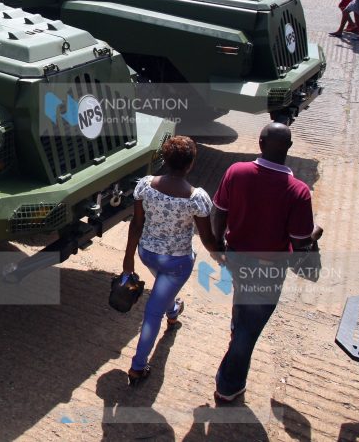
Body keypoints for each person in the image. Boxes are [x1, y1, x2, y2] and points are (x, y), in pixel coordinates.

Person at [211, 123, 323, 406]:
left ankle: (235, 347)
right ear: (289, 147)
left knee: (242, 314)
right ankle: (228, 387)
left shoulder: (236, 171)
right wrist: (316, 232)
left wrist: (218, 247)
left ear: (260, 143)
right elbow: (300, 244)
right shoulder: (298, 191)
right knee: (249, 330)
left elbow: (219, 213)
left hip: (236, 258)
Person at [121, 136, 221, 385]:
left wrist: (128, 260)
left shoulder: (145, 186)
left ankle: (173, 310)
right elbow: (207, 239)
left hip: (147, 254)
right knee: (152, 314)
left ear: (164, 160)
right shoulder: (197, 198)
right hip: (176, 264)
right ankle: (137, 368)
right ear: (190, 165)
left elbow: (137, 224)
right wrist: (222, 253)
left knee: (163, 294)